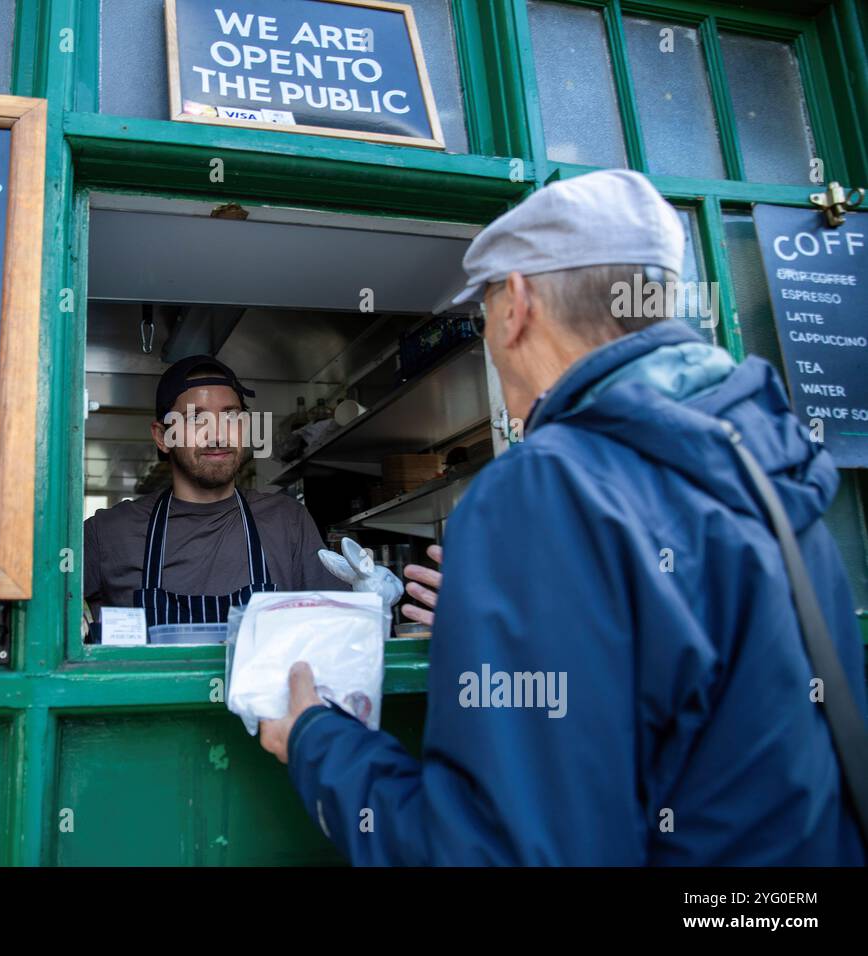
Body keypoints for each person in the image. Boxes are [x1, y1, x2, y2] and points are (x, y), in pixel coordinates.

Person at [258, 169, 868, 865]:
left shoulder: (546, 486)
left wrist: (313, 739)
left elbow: (490, 853)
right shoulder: (764, 463)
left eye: (483, 311)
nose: (488, 337)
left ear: (516, 303)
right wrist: (513, 624)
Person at [84, 355, 343, 629]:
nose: (218, 434)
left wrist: (372, 605)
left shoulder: (288, 523)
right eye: (196, 418)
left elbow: (334, 633)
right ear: (162, 437)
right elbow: (40, 618)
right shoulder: (108, 533)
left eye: (231, 416)